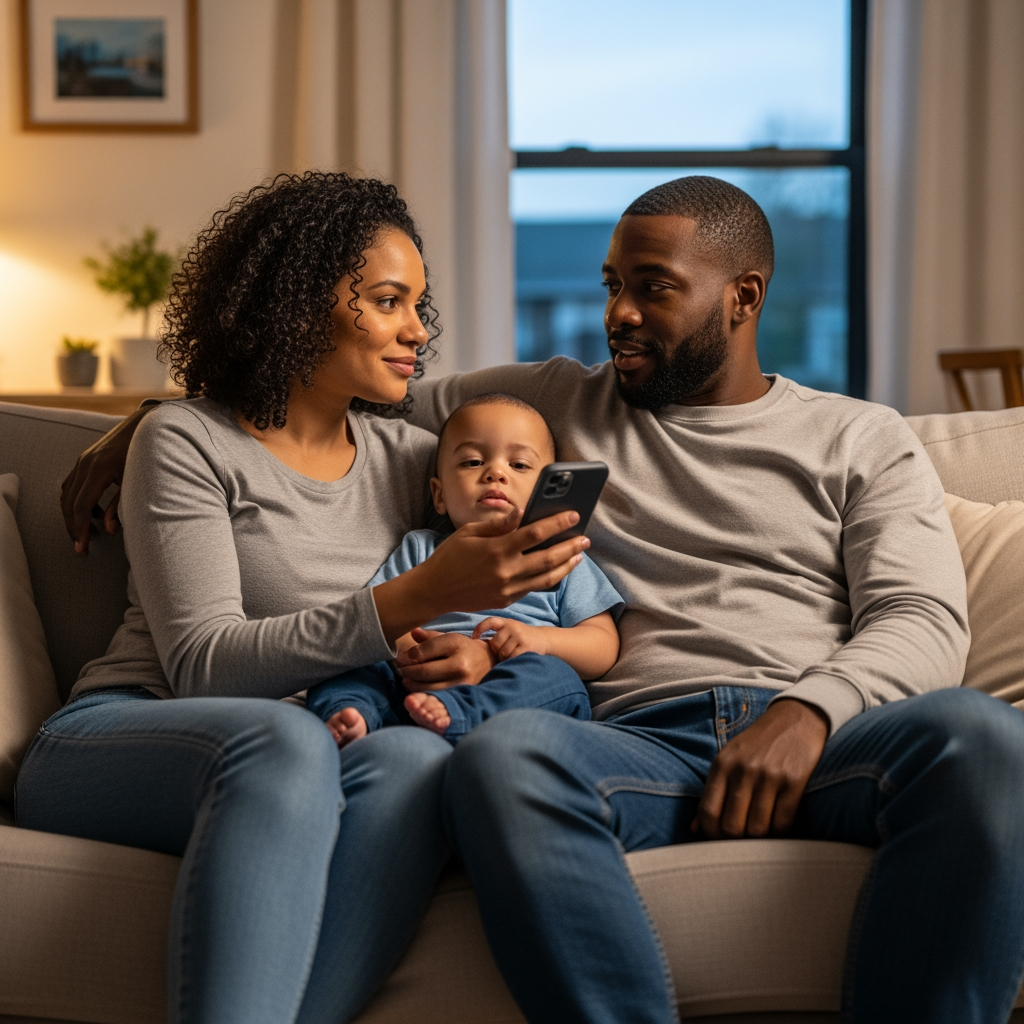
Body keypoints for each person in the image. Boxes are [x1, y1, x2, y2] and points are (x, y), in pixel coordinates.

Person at [56, 175, 1024, 1024]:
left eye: (652, 289)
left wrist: (811, 707)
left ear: (743, 297)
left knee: (984, 739)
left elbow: (925, 621)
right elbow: (312, 397)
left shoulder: (863, 437)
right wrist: (145, 420)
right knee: (499, 755)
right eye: (611, 286)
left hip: (823, 735)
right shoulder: (554, 404)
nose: (618, 315)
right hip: (635, 741)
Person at [17, 172, 589, 1024]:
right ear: (294, 302)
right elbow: (203, 666)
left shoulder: (419, 455)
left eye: (419, 307)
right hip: (128, 733)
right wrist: (419, 593)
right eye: (389, 301)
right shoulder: (186, 441)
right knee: (285, 742)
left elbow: (554, 395)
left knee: (419, 759)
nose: (416, 332)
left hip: (326, 738)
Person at [306, 392, 623, 746]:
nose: (495, 473)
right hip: (418, 681)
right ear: (439, 496)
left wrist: (541, 641)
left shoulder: (559, 556)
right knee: (350, 661)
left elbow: (603, 645)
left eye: (519, 465)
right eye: (472, 462)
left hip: (509, 683)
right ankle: (351, 712)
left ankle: (460, 713)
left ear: (545, 489)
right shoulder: (421, 547)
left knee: (556, 678)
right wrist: (419, 656)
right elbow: (380, 615)